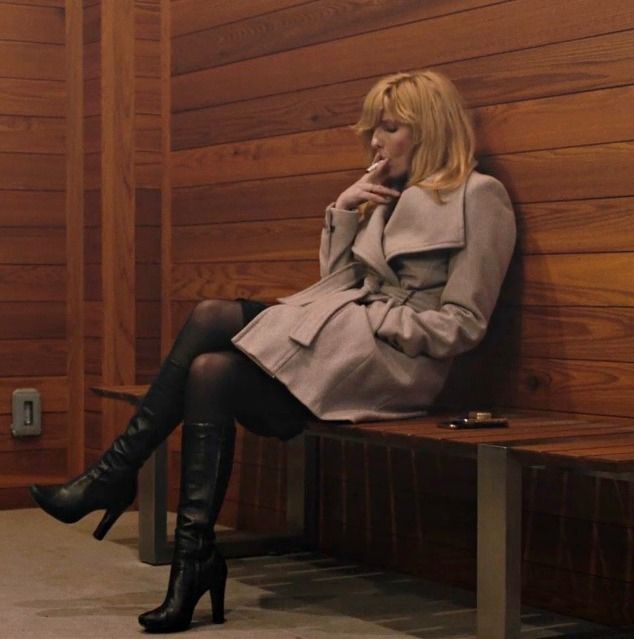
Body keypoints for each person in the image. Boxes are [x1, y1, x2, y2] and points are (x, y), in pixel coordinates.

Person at [29, 70, 516, 633]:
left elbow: (464, 324)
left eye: (390, 128)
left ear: (430, 130)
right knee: (211, 370)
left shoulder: (480, 197)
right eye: (372, 131)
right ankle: (192, 563)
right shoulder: (387, 198)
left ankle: (112, 476)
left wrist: (374, 319)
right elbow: (339, 285)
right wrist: (342, 212)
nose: (375, 143)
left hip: (398, 368)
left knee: (213, 315)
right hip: (348, 347)